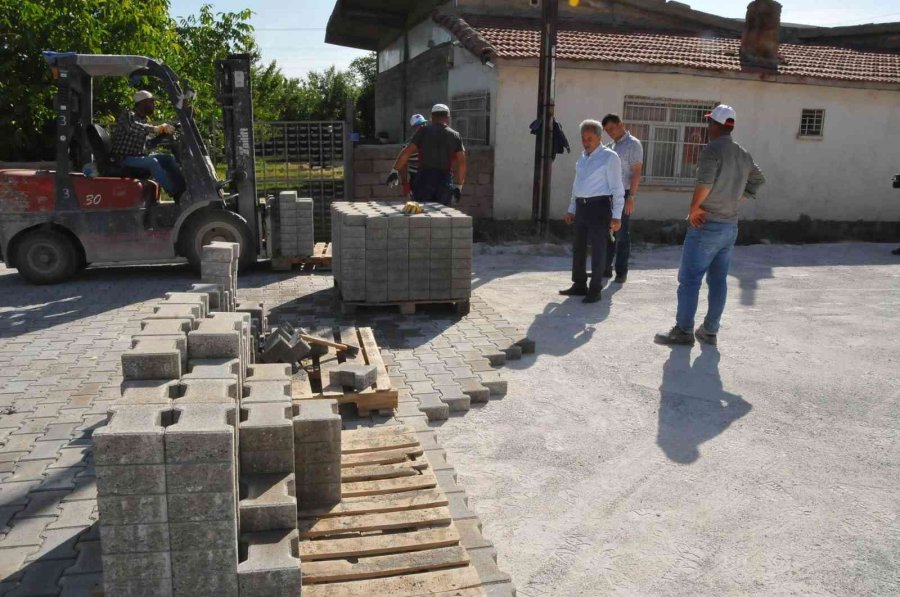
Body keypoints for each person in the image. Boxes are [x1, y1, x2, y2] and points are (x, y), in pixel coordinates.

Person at [655, 105, 766, 346]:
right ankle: (710, 331)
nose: (707, 127)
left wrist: (694, 209)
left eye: (709, 123)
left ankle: (683, 331)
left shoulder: (712, 150)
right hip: (729, 226)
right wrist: (737, 197)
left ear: (714, 125)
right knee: (718, 280)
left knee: (690, 280)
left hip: (707, 225)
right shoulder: (743, 154)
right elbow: (758, 180)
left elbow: (704, 182)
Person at [559, 119, 625, 304]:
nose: (586, 142)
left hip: (599, 207)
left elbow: (617, 189)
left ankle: (595, 289)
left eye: (590, 138)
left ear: (599, 137)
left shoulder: (609, 157)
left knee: (598, 248)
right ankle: (579, 284)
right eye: (583, 138)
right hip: (581, 207)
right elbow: (576, 185)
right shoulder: (583, 157)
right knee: (578, 247)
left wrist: (617, 216)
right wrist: (571, 209)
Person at [111, 90, 186, 199]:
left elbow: (147, 143)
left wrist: (162, 135)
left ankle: (183, 189)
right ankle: (175, 193)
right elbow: (132, 127)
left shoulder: (143, 119)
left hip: (137, 157)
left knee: (168, 159)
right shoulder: (128, 114)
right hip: (123, 158)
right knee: (153, 162)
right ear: (143, 102)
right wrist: (155, 128)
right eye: (151, 102)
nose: (153, 105)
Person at [392, 104, 466, 206]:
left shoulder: (423, 132)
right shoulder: (455, 135)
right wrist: (459, 186)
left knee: (421, 214)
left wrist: (394, 170)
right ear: (447, 118)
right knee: (442, 214)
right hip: (444, 180)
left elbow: (407, 152)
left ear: (432, 117)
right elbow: (462, 163)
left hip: (423, 180)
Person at [601, 114, 643, 284]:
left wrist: (631, 197)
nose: (610, 132)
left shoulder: (633, 144)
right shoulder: (610, 147)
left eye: (612, 128)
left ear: (621, 124)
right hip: (608, 195)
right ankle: (605, 268)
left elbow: (637, 172)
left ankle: (621, 271)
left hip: (624, 193)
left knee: (621, 233)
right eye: (606, 130)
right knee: (607, 233)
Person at [386, 113, 428, 196]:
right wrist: (405, 184)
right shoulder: (408, 145)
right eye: (419, 125)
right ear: (413, 128)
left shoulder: (432, 140)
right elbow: (403, 164)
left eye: (424, 124)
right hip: (416, 178)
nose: (422, 127)